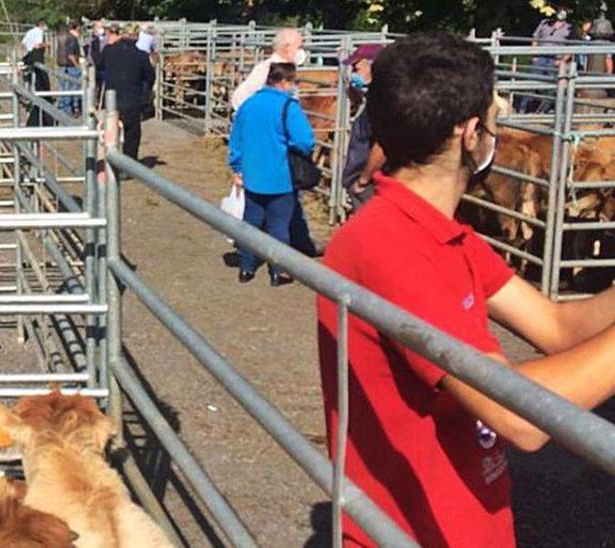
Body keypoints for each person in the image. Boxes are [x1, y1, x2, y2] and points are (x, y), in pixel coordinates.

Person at [318, 31, 615, 546]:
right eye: (496, 122)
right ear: (471, 132)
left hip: (465, 518)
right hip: (416, 530)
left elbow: (559, 327)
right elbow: (518, 417)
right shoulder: (391, 247)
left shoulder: (441, 232)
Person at [227, 62, 315, 286]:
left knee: (251, 222)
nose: (294, 87)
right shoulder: (288, 107)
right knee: (278, 226)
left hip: (253, 175)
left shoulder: (248, 105)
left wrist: (237, 167)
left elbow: (236, 140)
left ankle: (246, 268)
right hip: (281, 176)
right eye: (293, 82)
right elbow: (305, 140)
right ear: (283, 82)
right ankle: (277, 271)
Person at [97, 23, 155, 161]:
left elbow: (99, 67)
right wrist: (145, 92)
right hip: (132, 100)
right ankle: (129, 163)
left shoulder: (108, 51)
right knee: (132, 133)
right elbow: (150, 77)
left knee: (112, 130)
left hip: (112, 99)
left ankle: (112, 160)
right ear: (136, 37)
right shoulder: (141, 55)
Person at [340, 44, 384, 210]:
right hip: (365, 179)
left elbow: (382, 145)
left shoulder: (381, 101)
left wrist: (363, 180)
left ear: (371, 65)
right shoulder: (374, 96)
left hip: (368, 183)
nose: (353, 73)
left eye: (356, 68)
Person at [231, 28, 307, 111]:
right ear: (286, 47)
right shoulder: (266, 69)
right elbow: (239, 96)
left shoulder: (283, 69)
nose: (301, 51)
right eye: (299, 47)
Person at [520, 8, 573, 113]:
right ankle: (524, 108)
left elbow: (572, 46)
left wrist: (563, 60)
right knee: (531, 81)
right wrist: (534, 55)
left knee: (552, 86)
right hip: (540, 57)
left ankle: (546, 110)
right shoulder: (544, 23)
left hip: (556, 59)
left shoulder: (569, 28)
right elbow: (535, 38)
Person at [21, 20, 51, 126]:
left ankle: (32, 96)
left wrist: (28, 50)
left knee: (32, 79)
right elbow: (38, 45)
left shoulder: (29, 32)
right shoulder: (39, 32)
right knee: (42, 80)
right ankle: (43, 99)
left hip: (29, 56)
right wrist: (46, 45)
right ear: (42, 25)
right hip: (36, 56)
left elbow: (23, 43)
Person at [57, 22, 83, 116]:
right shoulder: (72, 39)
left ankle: (65, 107)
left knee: (65, 88)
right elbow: (71, 55)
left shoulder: (64, 37)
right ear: (77, 28)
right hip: (71, 66)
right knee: (73, 88)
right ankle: (71, 109)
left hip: (62, 65)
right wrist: (77, 66)